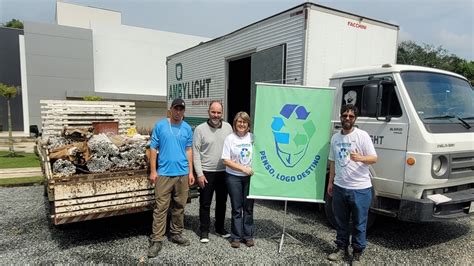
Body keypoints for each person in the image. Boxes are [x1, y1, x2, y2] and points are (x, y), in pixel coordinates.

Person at [327, 104, 377, 265]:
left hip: (360, 188)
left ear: (355, 119)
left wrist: (360, 158)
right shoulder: (335, 138)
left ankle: (357, 253)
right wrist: (331, 183)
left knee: (359, 223)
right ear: (340, 117)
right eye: (345, 115)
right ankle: (341, 248)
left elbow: (374, 158)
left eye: (351, 116)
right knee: (340, 221)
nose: (347, 118)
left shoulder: (362, 136)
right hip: (340, 187)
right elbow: (333, 162)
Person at [147, 98, 195, 258]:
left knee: (179, 206)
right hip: (164, 174)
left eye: (181, 109)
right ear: (171, 109)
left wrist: (190, 172)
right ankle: (157, 240)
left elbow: (188, 150)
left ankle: (176, 233)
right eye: (176, 108)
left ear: (184, 111)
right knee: (160, 208)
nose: (178, 112)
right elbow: (153, 148)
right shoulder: (161, 125)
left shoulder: (187, 128)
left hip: (182, 173)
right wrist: (153, 171)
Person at [193, 100, 233, 243]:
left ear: (222, 113)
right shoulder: (200, 129)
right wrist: (199, 174)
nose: (216, 115)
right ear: (208, 112)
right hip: (206, 172)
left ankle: (219, 228)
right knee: (205, 203)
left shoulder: (228, 128)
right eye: (213, 112)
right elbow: (196, 153)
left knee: (222, 202)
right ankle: (204, 230)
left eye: (218, 112)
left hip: (224, 171)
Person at [221, 111, 255, 248]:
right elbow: (226, 160)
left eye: (244, 122)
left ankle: (248, 236)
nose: (242, 124)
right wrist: (243, 169)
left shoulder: (253, 138)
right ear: (235, 123)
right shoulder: (230, 139)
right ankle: (236, 236)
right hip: (233, 177)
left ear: (248, 124)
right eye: (239, 121)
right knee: (236, 208)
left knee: (248, 208)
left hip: (249, 178)